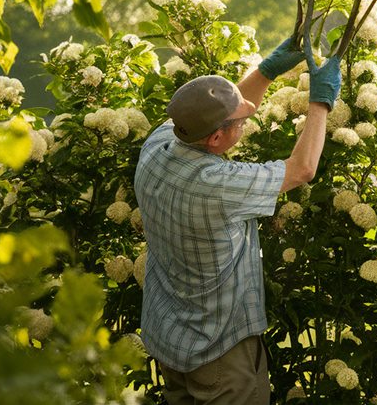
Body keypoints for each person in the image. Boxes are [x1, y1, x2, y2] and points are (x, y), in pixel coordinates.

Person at [134, 35, 341, 405]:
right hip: (218, 352)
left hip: (170, 337)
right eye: (242, 123)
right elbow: (302, 169)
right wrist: (321, 102)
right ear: (216, 138)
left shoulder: (160, 143)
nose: (247, 121)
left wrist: (266, 71)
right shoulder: (216, 185)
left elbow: (218, 118)